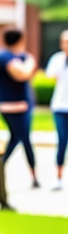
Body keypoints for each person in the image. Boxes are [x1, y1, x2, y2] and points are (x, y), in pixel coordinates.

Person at [0, 27, 39, 189]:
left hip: (5, 106)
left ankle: (6, 169)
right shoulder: (18, 59)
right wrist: (31, 60)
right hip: (20, 107)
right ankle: (1, 167)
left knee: (17, 138)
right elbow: (25, 74)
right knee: (22, 138)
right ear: (21, 40)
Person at [46, 29, 68, 191]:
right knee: (62, 141)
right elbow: (50, 75)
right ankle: (58, 177)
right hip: (60, 106)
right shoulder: (57, 59)